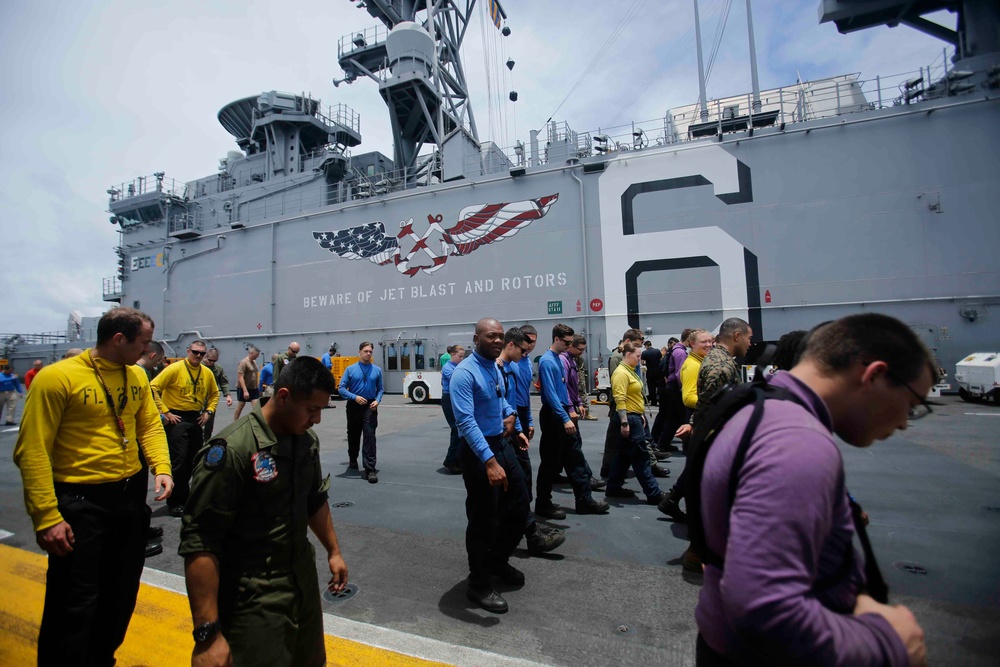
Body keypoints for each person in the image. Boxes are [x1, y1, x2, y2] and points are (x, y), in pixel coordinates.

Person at [695, 313, 931, 666]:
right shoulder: (796, 442)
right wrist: (885, 645)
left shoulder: (762, 408)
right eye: (911, 405)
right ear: (875, 374)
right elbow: (763, 609)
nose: (902, 423)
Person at [13, 307, 173, 667]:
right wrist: (46, 516)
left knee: (120, 596)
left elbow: (148, 425)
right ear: (120, 339)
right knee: (75, 603)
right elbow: (32, 449)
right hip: (81, 504)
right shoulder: (57, 379)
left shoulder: (136, 377)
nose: (149, 350)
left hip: (129, 502)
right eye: (144, 342)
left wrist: (161, 467)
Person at [180, 356, 348, 667]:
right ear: (283, 397)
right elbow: (201, 542)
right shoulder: (232, 449)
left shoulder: (305, 441)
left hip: (302, 582)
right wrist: (207, 634)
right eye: (312, 410)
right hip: (254, 596)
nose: (317, 420)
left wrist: (333, 551)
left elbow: (314, 499)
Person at [450, 318, 531, 613]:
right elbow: (466, 421)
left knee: (520, 503)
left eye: (499, 336)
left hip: (501, 442)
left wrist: (515, 421)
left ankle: (497, 561)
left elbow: (501, 402)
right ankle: (479, 584)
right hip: (478, 451)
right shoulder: (464, 374)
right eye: (490, 336)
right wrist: (489, 461)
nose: (497, 340)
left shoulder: (494, 367)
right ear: (476, 338)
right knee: (484, 519)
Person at [500, 328, 564, 555]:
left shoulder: (523, 363)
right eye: (525, 344)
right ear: (513, 344)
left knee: (522, 481)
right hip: (504, 435)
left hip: (515, 428)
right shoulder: (503, 367)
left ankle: (524, 531)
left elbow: (522, 397)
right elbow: (507, 403)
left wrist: (526, 422)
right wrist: (517, 428)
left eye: (533, 343)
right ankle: (529, 534)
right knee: (517, 485)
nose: (529, 348)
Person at [536, 324, 609, 517]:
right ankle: (543, 504)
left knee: (575, 458)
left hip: (562, 413)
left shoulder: (557, 360)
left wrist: (570, 408)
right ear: (557, 339)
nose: (569, 347)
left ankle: (585, 501)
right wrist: (564, 416)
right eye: (567, 342)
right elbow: (551, 394)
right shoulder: (548, 361)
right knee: (550, 464)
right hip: (554, 416)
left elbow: (564, 389)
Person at [151, 340, 219, 517]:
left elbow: (214, 393)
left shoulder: (207, 372)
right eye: (195, 352)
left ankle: (187, 496)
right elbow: (153, 387)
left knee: (194, 460)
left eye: (201, 353)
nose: (198, 356)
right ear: (188, 351)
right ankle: (174, 501)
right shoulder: (174, 369)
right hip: (177, 418)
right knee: (179, 461)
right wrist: (165, 412)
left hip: (196, 418)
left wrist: (208, 412)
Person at [605, 341, 663, 504]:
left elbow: (634, 397)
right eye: (638, 356)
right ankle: (654, 493)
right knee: (640, 456)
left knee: (623, 456)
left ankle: (613, 487)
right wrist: (625, 423)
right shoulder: (621, 373)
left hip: (633, 416)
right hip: (628, 418)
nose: (640, 359)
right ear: (628, 355)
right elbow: (620, 399)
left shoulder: (629, 371)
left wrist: (640, 414)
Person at [338, 341, 384, 483]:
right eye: (366, 351)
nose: (368, 354)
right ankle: (353, 458)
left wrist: (377, 400)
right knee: (353, 434)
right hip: (354, 405)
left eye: (370, 351)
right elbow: (341, 388)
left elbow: (381, 389)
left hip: (370, 406)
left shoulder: (377, 370)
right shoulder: (350, 370)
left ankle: (370, 469)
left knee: (369, 436)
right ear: (359, 352)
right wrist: (355, 397)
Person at [695, 318, 752, 416]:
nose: (749, 344)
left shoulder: (716, 357)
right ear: (737, 336)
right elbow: (709, 408)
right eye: (749, 338)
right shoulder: (721, 367)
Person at [440, 345, 466, 473]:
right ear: (453, 355)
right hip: (448, 399)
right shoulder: (447, 368)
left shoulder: (458, 367)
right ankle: (451, 460)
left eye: (463, 357)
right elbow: (458, 380)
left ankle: (456, 459)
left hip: (456, 398)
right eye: (460, 356)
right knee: (456, 429)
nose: (462, 359)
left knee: (459, 430)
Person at [202, 347, 233, 440]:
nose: (212, 362)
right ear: (205, 356)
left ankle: (205, 443)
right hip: (197, 398)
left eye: (214, 361)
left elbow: (223, 382)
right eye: (210, 360)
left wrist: (228, 395)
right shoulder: (198, 366)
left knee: (209, 425)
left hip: (211, 399)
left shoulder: (218, 368)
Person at [233, 346, 261, 420]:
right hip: (244, 388)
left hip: (254, 388)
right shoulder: (243, 362)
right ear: (251, 353)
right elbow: (240, 377)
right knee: (241, 405)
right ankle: (235, 422)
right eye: (256, 355)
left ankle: (257, 422)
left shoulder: (254, 362)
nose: (257, 356)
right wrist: (245, 391)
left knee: (256, 406)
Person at [641, 340, 663, 406]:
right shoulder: (658, 351)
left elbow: (642, 363)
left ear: (646, 346)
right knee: (659, 386)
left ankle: (653, 401)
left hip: (650, 372)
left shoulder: (644, 353)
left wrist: (647, 363)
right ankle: (660, 400)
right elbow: (661, 360)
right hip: (658, 371)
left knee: (651, 387)